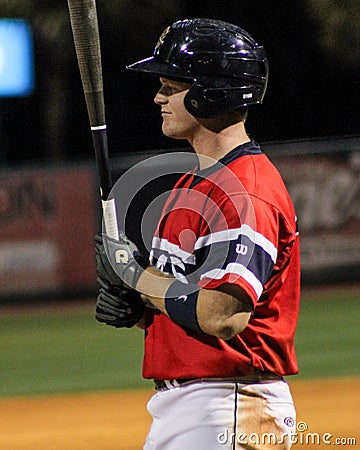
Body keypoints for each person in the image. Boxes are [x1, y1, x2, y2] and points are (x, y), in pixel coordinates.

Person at [95, 18, 300, 450]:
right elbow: (186, 303)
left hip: (230, 405)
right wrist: (139, 313)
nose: (158, 97)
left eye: (171, 86)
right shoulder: (197, 184)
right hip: (198, 405)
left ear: (212, 93)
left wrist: (137, 277)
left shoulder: (247, 191)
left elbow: (221, 315)